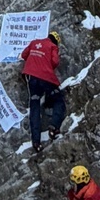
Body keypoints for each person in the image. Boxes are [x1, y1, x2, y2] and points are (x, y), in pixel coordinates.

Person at [19, 28, 65, 158]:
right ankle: (54, 126)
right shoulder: (52, 47)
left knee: (35, 107)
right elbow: (55, 62)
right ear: (56, 42)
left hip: (32, 78)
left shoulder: (35, 42)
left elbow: (24, 55)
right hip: (46, 79)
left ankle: (36, 142)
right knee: (58, 100)